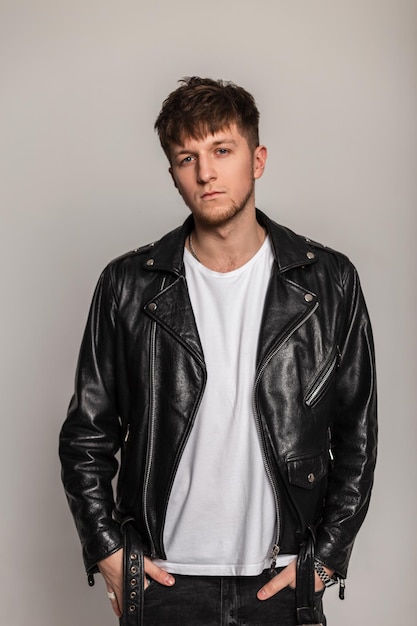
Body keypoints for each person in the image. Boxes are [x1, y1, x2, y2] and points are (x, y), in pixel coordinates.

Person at [59, 77, 377, 626]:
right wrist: (108, 551)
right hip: (163, 580)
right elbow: (87, 435)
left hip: (282, 580)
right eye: (187, 158)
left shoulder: (329, 283)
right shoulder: (127, 286)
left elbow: (358, 434)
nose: (205, 173)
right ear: (174, 176)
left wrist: (325, 560)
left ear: (257, 159)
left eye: (221, 150)